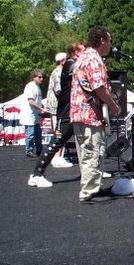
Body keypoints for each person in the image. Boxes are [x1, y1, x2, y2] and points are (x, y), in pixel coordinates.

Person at [70, 26, 120, 202]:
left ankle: (91, 187)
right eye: (109, 40)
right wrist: (113, 106)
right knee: (93, 152)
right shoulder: (93, 59)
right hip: (90, 114)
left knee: (86, 153)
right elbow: (98, 87)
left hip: (79, 113)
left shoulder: (82, 57)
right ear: (102, 41)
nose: (111, 44)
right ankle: (90, 192)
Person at [28, 43, 86, 188]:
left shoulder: (73, 65)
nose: (86, 54)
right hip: (65, 114)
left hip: (76, 112)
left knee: (85, 141)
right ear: (74, 53)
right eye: (83, 51)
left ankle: (90, 171)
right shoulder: (69, 65)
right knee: (57, 141)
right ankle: (37, 174)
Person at [45, 52, 72, 168]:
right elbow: (58, 91)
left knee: (59, 131)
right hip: (57, 107)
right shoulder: (58, 73)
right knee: (59, 132)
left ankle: (59, 156)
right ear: (62, 61)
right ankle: (57, 157)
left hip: (58, 107)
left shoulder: (59, 72)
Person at [20, 69, 48, 158]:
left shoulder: (38, 87)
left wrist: (43, 107)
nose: (42, 79)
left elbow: (38, 101)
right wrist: (41, 109)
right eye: (39, 77)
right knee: (30, 134)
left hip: (35, 115)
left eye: (42, 77)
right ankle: (29, 151)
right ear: (34, 77)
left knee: (38, 134)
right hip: (29, 115)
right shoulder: (30, 86)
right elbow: (31, 101)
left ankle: (39, 150)